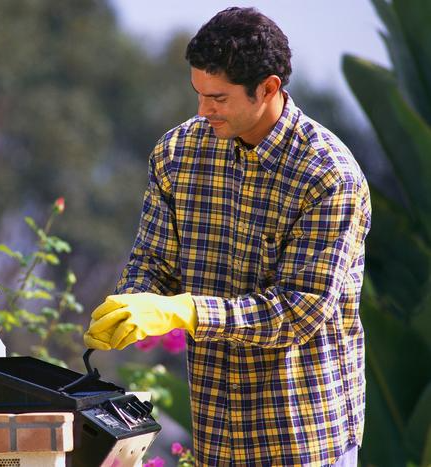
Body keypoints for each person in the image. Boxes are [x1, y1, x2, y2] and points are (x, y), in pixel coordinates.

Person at [84, 7, 370, 466]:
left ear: (269, 88)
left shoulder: (329, 176)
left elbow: (300, 311)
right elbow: (155, 260)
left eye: (218, 97)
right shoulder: (177, 153)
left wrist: (186, 310)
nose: (203, 110)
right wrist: (133, 302)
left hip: (305, 436)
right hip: (218, 432)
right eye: (198, 93)